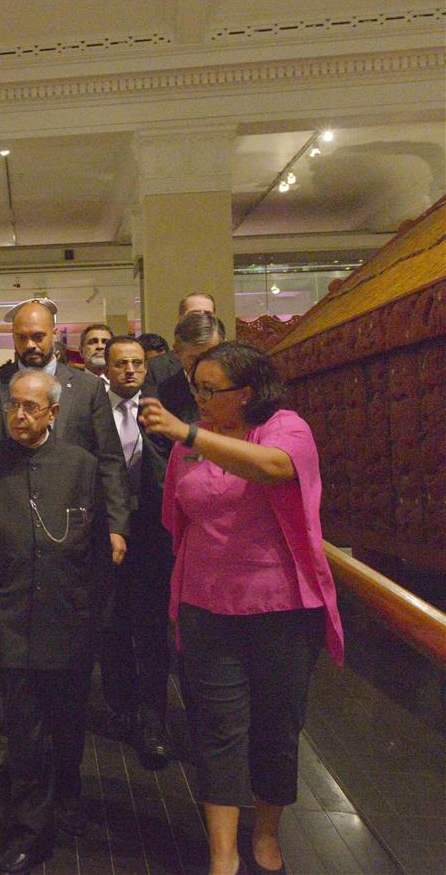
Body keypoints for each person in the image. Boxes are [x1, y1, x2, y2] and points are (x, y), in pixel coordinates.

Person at [139, 342, 343, 875]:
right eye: (195, 388)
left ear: (246, 393)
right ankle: (223, 852)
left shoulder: (283, 428)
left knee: (277, 725)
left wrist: (189, 432)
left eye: (210, 389)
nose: (199, 398)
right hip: (206, 604)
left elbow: (275, 468)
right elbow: (175, 513)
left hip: (280, 607)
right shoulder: (192, 444)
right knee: (217, 727)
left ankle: (267, 832)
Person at [0, 369, 112, 874]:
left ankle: (66, 803)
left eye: (30, 408)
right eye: (13, 407)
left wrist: (91, 608)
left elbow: (98, 544)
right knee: (22, 730)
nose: (18, 416)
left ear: (52, 413)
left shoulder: (81, 466)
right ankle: (26, 831)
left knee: (68, 724)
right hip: (11, 617)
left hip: (70, 616)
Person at [0, 298, 129, 563]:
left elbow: (110, 460)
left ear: (55, 333)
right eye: (21, 337)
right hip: (3, 527)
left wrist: (116, 525)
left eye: (38, 336)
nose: (30, 345)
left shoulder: (88, 389)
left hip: (72, 527)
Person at [97, 335, 173, 769]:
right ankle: (120, 708)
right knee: (111, 626)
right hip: (105, 533)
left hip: (151, 535)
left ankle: (153, 722)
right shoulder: (92, 411)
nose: (129, 370)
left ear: (146, 368)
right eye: (121, 363)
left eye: (137, 364)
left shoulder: (162, 413)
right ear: (106, 368)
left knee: (151, 632)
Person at [153, 311, 226, 424]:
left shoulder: (238, 389)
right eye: (195, 359)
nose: (203, 367)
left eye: (210, 357)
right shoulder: (160, 396)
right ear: (177, 351)